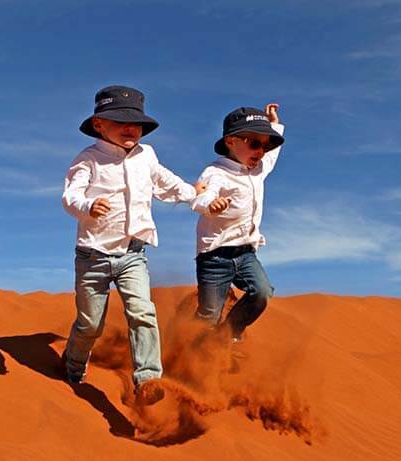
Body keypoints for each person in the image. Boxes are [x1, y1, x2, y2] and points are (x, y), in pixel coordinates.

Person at [61, 85, 200, 404]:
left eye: (135, 123)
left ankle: (148, 379)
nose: (130, 129)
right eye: (120, 121)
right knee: (90, 324)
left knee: (142, 312)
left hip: (133, 255)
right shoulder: (88, 160)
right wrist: (87, 206)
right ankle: (72, 365)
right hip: (92, 257)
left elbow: (166, 182)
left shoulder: (146, 156)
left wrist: (194, 192)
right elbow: (71, 196)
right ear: (99, 124)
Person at [190, 103, 285, 343]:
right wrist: (210, 205)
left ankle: (227, 335)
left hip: (245, 253)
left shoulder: (259, 169)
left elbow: (273, 156)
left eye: (266, 145)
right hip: (214, 257)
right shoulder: (216, 172)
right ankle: (187, 348)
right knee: (208, 316)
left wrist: (275, 124)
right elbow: (201, 195)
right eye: (254, 143)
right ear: (231, 141)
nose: (261, 151)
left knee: (262, 292)